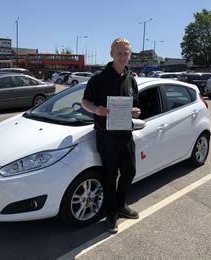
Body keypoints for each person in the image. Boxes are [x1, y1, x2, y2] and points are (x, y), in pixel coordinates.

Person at [82, 38, 141, 233]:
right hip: (106, 136)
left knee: (129, 172)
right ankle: (111, 213)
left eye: (126, 53)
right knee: (109, 176)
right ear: (111, 54)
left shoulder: (131, 79)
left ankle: (120, 205)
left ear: (130, 55)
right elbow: (85, 102)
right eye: (119, 53)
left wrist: (134, 112)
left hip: (125, 134)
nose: (123, 56)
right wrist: (96, 110)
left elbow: (135, 105)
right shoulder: (99, 77)